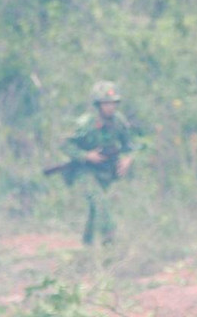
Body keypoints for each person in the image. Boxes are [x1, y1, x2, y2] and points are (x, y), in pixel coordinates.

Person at [58, 80, 141, 246]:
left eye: (113, 103)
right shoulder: (86, 123)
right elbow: (65, 144)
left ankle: (87, 244)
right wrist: (86, 155)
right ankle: (109, 240)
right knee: (99, 201)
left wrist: (127, 159)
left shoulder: (119, 122)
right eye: (106, 103)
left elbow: (130, 145)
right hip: (84, 170)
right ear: (98, 104)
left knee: (95, 209)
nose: (110, 107)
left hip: (105, 172)